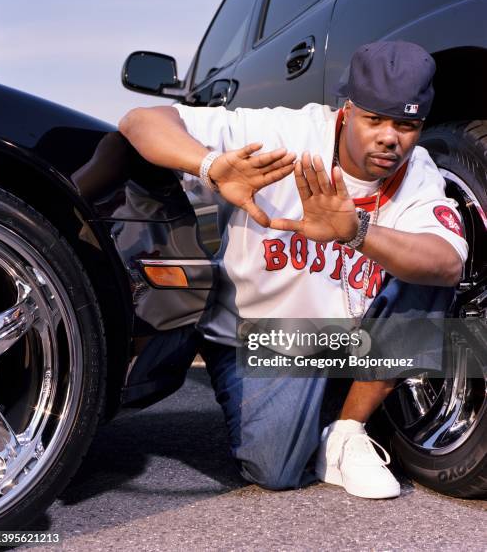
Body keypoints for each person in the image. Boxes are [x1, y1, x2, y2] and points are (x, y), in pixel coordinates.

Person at [119, 41, 468, 499]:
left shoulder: (416, 170)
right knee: (276, 470)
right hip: (264, 337)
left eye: (406, 125)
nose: (390, 137)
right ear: (346, 109)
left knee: (428, 274)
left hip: (351, 336)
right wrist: (208, 166)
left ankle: (347, 429)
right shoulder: (285, 133)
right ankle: (319, 420)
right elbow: (140, 121)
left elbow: (447, 262)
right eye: (375, 119)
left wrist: (355, 232)